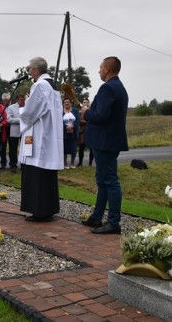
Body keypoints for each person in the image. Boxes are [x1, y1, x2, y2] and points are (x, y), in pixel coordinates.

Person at [80, 56, 129, 234]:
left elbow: (101, 116)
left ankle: (114, 222)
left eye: (100, 67)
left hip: (105, 141)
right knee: (102, 180)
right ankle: (96, 217)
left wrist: (86, 112)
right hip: (109, 140)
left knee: (110, 181)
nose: (99, 70)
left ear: (108, 69)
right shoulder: (119, 87)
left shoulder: (108, 87)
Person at [18, 57, 63, 222]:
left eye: (30, 68)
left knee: (37, 173)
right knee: (46, 175)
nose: (29, 71)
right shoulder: (52, 86)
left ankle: (39, 211)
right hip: (49, 136)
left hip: (39, 137)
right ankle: (48, 209)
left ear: (36, 70)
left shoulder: (40, 85)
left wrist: (21, 110)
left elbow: (30, 112)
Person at [6, 94, 25, 173]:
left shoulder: (27, 107)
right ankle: (13, 165)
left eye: (23, 100)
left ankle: (24, 165)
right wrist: (20, 120)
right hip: (14, 131)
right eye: (21, 100)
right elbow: (9, 119)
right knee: (13, 149)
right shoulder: (11, 107)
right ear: (17, 99)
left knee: (25, 149)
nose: (22, 101)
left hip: (25, 131)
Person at [62, 97, 80, 169]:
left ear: (70, 103)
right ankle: (65, 163)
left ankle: (72, 162)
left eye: (68, 102)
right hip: (64, 132)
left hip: (73, 132)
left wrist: (72, 126)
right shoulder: (60, 111)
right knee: (65, 149)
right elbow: (59, 121)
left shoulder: (75, 111)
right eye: (65, 102)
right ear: (63, 103)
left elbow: (78, 120)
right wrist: (66, 127)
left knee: (73, 149)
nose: (66, 103)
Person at [77, 98, 94, 167]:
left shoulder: (91, 111)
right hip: (82, 131)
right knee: (81, 147)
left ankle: (90, 163)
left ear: (89, 103)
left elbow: (92, 120)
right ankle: (80, 162)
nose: (85, 103)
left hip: (91, 131)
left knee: (91, 148)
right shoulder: (79, 112)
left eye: (87, 102)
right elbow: (78, 120)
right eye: (84, 102)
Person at [0, 93, 11, 169]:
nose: (6, 102)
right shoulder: (1, 108)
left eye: (7, 101)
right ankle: (3, 163)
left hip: (11, 128)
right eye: (4, 101)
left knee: (12, 147)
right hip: (3, 128)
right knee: (2, 147)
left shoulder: (13, 107)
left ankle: (12, 163)